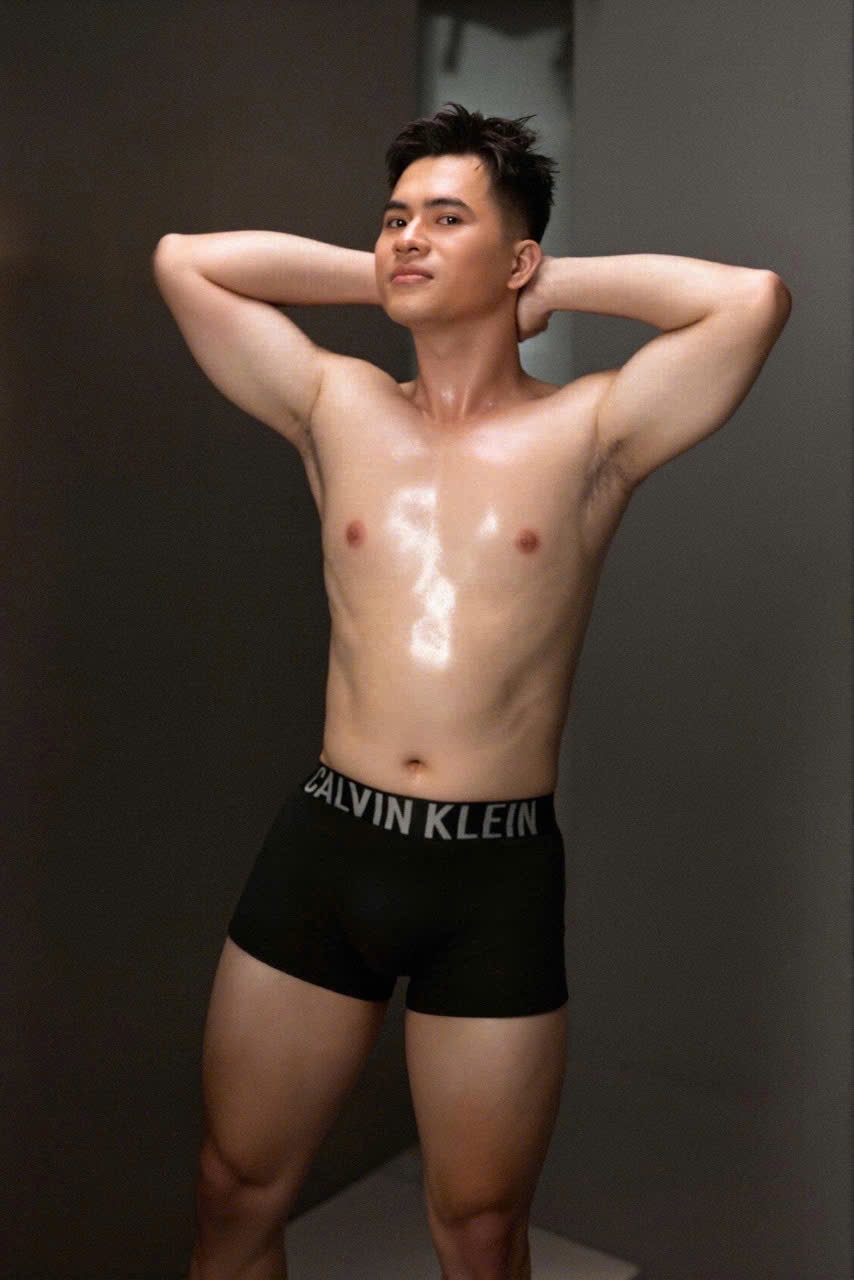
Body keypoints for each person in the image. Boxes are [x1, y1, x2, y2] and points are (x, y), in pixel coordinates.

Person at [153, 103, 791, 1280]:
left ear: (517, 257)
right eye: (393, 217)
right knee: (233, 1187)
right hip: (330, 847)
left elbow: (748, 300)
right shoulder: (336, 405)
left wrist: (538, 284)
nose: (406, 236)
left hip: (490, 875)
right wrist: (401, 269)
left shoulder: (590, 429)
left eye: (445, 218)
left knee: (480, 1231)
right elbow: (185, 263)